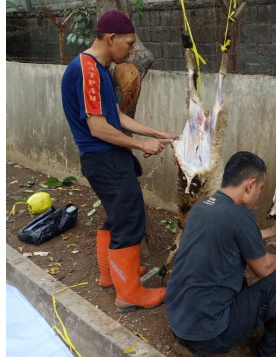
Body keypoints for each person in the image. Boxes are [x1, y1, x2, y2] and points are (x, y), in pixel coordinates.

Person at [60, 10, 178, 312]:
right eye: (129, 43)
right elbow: (98, 127)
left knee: (117, 216)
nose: (131, 51)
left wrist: (156, 132)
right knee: (129, 220)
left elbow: (118, 116)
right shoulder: (87, 70)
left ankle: (111, 274)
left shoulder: (100, 68)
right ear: (111, 38)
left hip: (106, 158)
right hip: (104, 159)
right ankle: (129, 294)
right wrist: (141, 145)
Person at [165, 151, 276, 357]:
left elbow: (233, 234)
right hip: (209, 335)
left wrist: (273, 231)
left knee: (232, 271)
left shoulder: (201, 208)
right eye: (260, 188)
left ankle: (191, 342)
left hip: (179, 324)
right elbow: (264, 269)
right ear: (250, 185)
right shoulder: (242, 216)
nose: (258, 194)